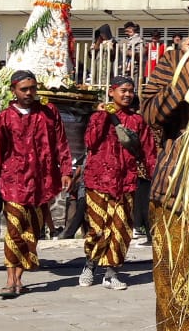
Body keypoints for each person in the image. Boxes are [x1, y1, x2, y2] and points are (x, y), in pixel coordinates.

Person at [141, 1, 189, 328]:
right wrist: (186, 74)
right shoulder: (173, 61)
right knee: (176, 297)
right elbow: (151, 113)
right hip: (175, 195)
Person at [0, 70, 72, 299]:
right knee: (14, 232)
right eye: (24, 89)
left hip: (41, 184)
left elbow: (61, 143)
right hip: (13, 184)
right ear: (14, 91)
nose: (29, 93)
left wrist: (66, 170)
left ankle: (19, 278)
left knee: (32, 233)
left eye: (32, 88)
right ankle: (10, 280)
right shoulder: (4, 118)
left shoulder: (49, 113)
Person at [79, 76, 156, 290]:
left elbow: (148, 153)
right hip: (98, 182)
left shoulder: (137, 121)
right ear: (111, 92)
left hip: (126, 183)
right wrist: (104, 115)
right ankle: (90, 265)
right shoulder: (97, 116)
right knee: (98, 229)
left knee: (121, 229)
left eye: (131, 91)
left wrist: (155, 177)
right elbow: (90, 142)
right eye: (123, 90)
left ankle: (111, 273)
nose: (127, 95)